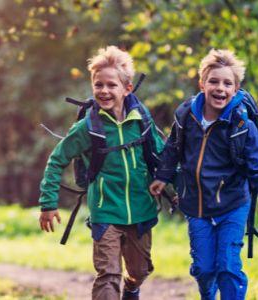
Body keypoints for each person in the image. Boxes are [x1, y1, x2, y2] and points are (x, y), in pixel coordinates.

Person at [148, 49, 258, 300]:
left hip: (233, 204)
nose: (220, 88)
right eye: (213, 81)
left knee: (228, 266)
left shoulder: (241, 124)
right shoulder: (186, 115)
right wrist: (163, 176)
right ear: (202, 84)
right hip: (197, 206)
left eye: (227, 83)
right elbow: (172, 148)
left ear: (236, 89)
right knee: (203, 269)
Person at [38, 46, 165, 300]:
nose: (104, 91)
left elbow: (164, 158)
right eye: (98, 85)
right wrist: (48, 203)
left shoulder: (142, 121)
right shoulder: (87, 128)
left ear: (127, 88)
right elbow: (56, 160)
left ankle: (132, 288)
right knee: (108, 275)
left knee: (139, 270)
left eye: (111, 85)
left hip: (141, 209)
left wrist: (173, 183)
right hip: (105, 211)